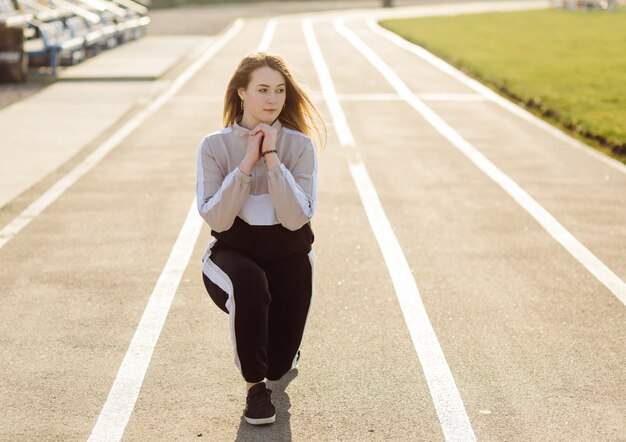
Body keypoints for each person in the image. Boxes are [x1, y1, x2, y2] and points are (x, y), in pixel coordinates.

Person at [196, 52, 325, 425]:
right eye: (263, 90)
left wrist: (271, 157)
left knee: (279, 366)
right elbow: (217, 217)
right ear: (241, 93)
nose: (273, 99)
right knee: (249, 283)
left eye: (280, 91)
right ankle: (255, 391)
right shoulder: (213, 146)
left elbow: (295, 218)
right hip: (232, 254)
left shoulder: (300, 146)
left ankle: (278, 362)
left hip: (289, 253)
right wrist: (245, 163)